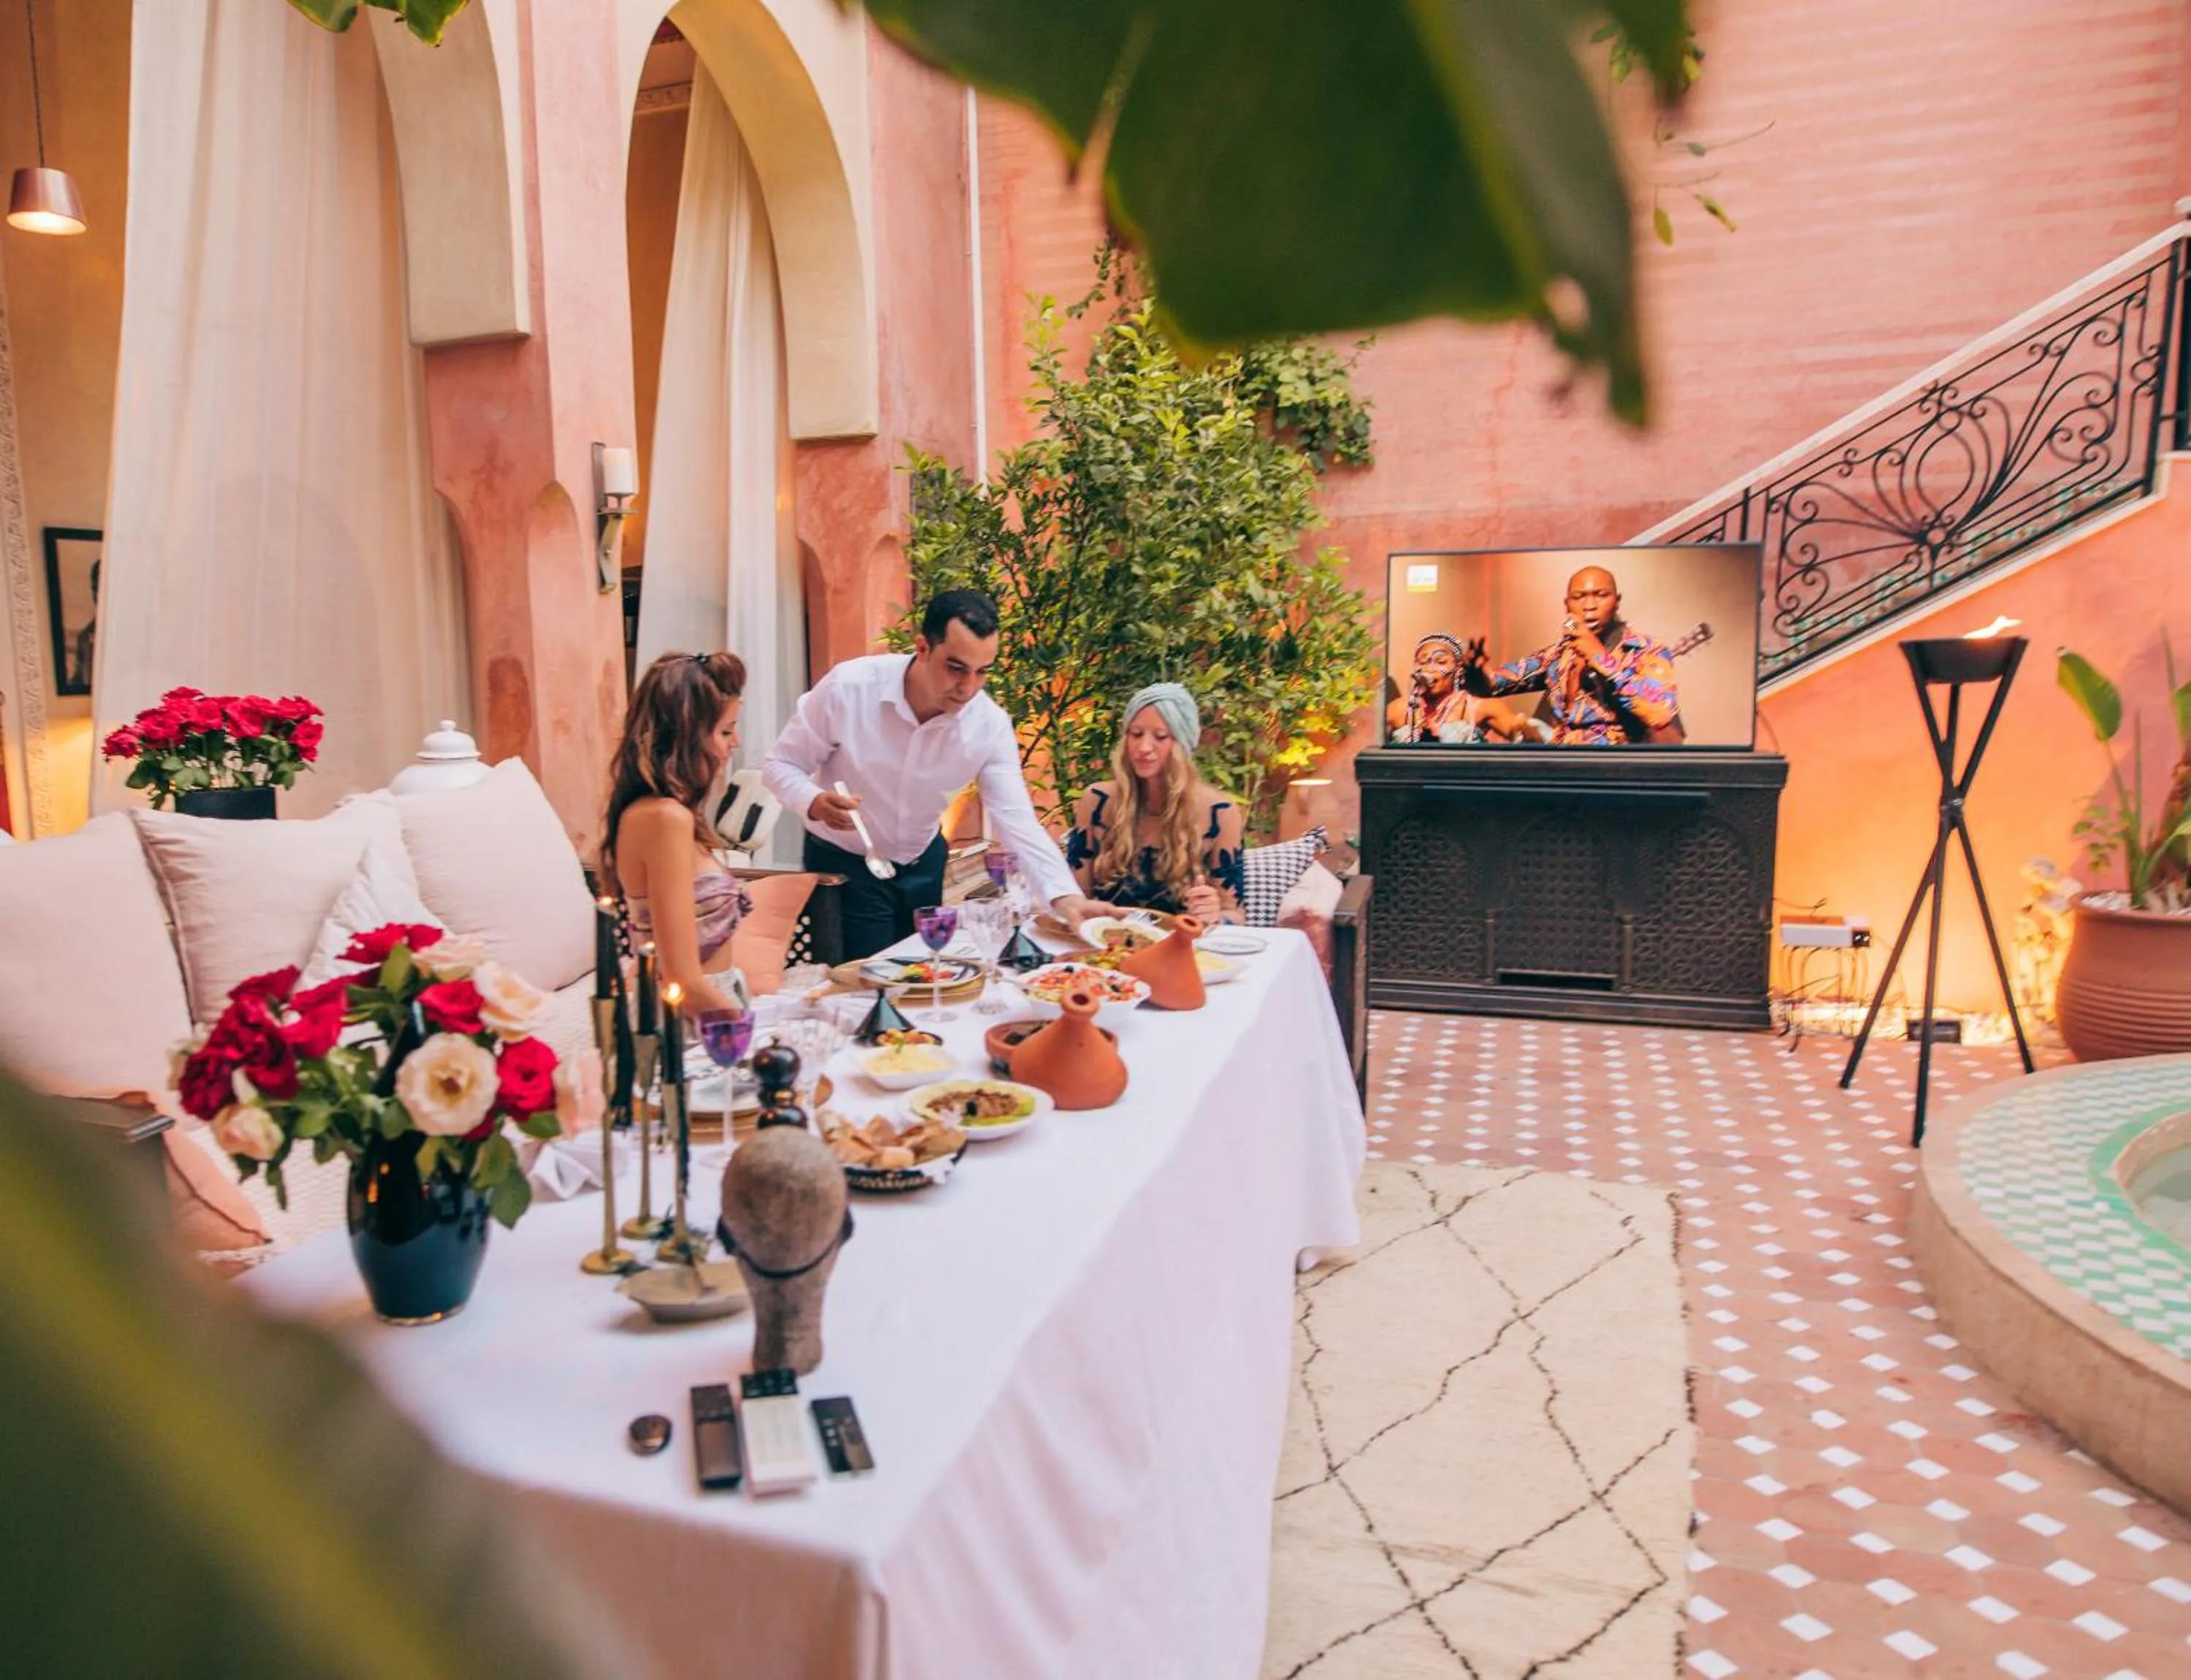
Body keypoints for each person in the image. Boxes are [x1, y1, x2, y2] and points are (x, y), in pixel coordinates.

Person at [763, 589, 1101, 961]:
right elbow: (780, 765)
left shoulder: (989, 725)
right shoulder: (848, 688)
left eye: (982, 672)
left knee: (922, 985)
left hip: (924, 863)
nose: (968, 687)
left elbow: (1017, 820)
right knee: (865, 995)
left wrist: (1065, 897)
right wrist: (812, 801)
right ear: (923, 648)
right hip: (847, 867)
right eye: (956, 668)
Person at [603, 650, 753, 1016]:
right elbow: (683, 982)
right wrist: (745, 1037)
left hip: (707, 1007)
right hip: (690, 1023)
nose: (736, 744)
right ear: (686, 736)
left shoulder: (668, 814)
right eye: (726, 731)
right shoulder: (665, 819)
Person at [1064, 684, 1244, 922]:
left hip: (1181, 949)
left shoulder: (1219, 813)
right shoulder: (1097, 802)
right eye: (1136, 734)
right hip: (1108, 947)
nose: (1144, 748)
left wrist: (1214, 915)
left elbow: (1237, 915)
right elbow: (1077, 900)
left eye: (1160, 737)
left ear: (1182, 745)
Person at [1463, 565, 1681, 745]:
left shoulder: (1645, 650)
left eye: (1601, 596)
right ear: (1567, 605)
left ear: (1617, 601)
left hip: (1616, 775)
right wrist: (1474, 674)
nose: (1589, 606)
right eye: (1579, 597)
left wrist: (1599, 656)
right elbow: (1493, 686)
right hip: (1559, 773)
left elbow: (1661, 713)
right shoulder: (1558, 654)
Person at [1385, 633, 1539, 744]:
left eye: (1441, 662)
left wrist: (1524, 729)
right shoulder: (1398, 709)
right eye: (1423, 662)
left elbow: (1529, 741)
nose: (1430, 668)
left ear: (1458, 669)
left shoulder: (1479, 707)